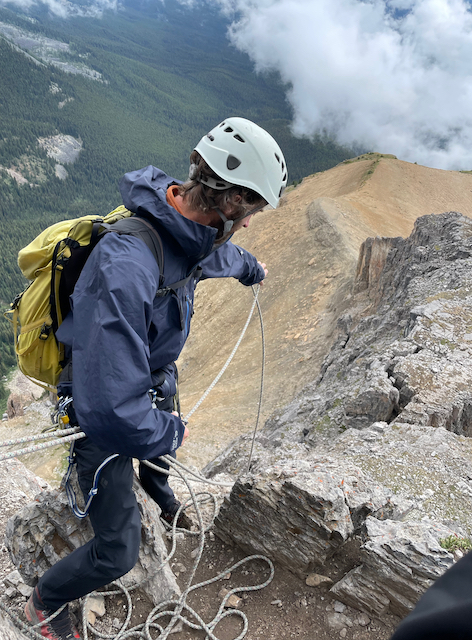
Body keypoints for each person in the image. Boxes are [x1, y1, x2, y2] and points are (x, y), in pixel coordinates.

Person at [24, 116, 288, 640]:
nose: (251, 223)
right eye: (252, 210)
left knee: (164, 436)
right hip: (100, 415)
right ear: (230, 202)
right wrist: (170, 432)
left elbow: (205, 256)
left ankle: (160, 491)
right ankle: (45, 601)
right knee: (119, 551)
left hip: (148, 382)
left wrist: (248, 267)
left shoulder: (183, 226)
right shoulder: (127, 264)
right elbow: (110, 412)